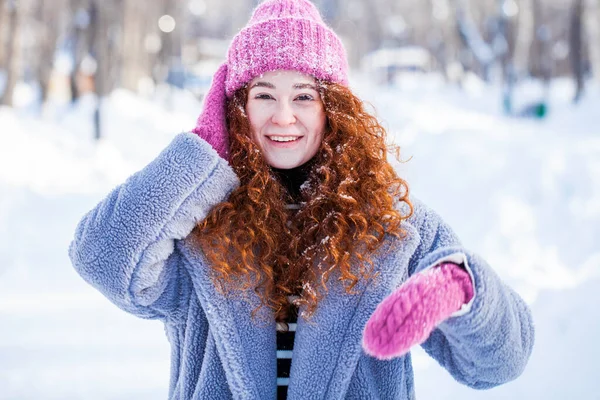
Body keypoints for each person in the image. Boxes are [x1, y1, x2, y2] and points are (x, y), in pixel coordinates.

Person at [69, 0, 535, 399]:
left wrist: (460, 289)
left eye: (304, 97)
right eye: (264, 94)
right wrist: (203, 153)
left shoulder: (389, 222)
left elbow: (501, 363)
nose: (283, 116)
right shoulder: (195, 220)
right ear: (237, 107)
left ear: (333, 108)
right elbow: (101, 256)